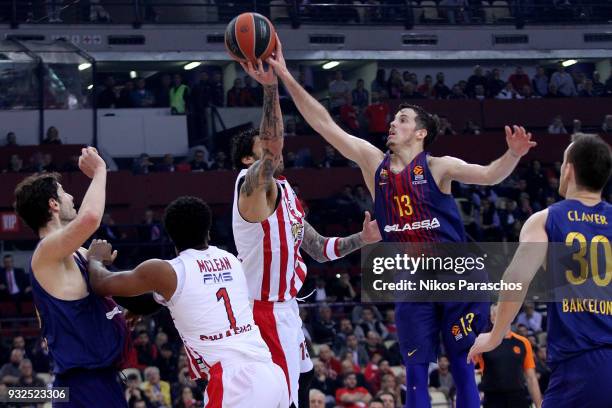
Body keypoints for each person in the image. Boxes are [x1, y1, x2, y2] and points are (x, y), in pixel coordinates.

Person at [266, 34, 536, 408]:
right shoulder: (373, 165)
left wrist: (513, 154)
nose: (393, 123)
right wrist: (284, 75)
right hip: (414, 278)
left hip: (459, 273)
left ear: (421, 133)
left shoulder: (439, 166)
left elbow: (490, 175)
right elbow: (324, 124)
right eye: (394, 119)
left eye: (403, 119)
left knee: (460, 362)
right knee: (414, 371)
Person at [232, 60, 382, 408]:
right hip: (262, 309)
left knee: (302, 385)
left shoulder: (286, 194)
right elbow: (271, 149)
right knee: (281, 399)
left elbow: (317, 249)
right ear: (246, 161)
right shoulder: (250, 186)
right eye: (263, 149)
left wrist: (363, 239)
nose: (277, 151)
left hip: (287, 308)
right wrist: (271, 88)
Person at [86, 196, 289, 407]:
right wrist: (139, 308)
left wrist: (95, 259)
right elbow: (158, 301)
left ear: (170, 236)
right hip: (269, 372)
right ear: (208, 231)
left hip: (235, 383)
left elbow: (102, 283)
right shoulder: (230, 259)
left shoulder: (168, 272)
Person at [468, 133, 612, 408]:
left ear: (568, 169)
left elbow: (516, 278)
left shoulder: (547, 220)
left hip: (581, 364)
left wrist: (496, 334)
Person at [13, 148, 130, 407]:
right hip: (82, 381)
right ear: (53, 204)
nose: (71, 196)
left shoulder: (78, 253)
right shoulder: (45, 252)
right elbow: (90, 218)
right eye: (64, 193)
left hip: (97, 378)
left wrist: (117, 314)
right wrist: (100, 171)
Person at [474, 304, 542, 408]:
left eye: (506, 313)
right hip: (492, 399)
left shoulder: (523, 342)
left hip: (518, 398)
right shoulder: (482, 342)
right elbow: (471, 371)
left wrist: (539, 405)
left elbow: (531, 378)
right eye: (499, 314)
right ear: (492, 318)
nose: (504, 316)